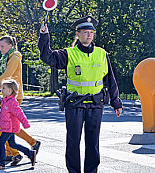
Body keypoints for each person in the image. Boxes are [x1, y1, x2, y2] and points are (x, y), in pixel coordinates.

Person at [38, 16, 123, 173]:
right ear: (78, 34)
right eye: (85, 32)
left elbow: (110, 79)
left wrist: (116, 102)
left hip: (96, 104)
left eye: (91, 32)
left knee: (93, 143)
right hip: (75, 104)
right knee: (73, 142)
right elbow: (47, 57)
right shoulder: (68, 54)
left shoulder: (102, 54)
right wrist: (44, 36)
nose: (89, 35)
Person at [0, 35, 41, 159]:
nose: (0, 49)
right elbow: (0, 74)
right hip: (8, 93)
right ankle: (14, 151)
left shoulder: (14, 58)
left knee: (8, 126)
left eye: (2, 46)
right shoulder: (7, 57)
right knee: (7, 124)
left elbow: (7, 75)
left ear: (10, 46)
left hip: (15, 94)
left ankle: (17, 150)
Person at [0, 79, 36, 170]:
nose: (2, 90)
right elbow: (3, 115)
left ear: (10, 90)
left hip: (10, 127)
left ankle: (1, 163)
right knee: (12, 144)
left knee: (1, 142)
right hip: (7, 127)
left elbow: (20, 113)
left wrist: (25, 123)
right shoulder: (5, 101)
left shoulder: (12, 102)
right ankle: (30, 153)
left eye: (3, 88)